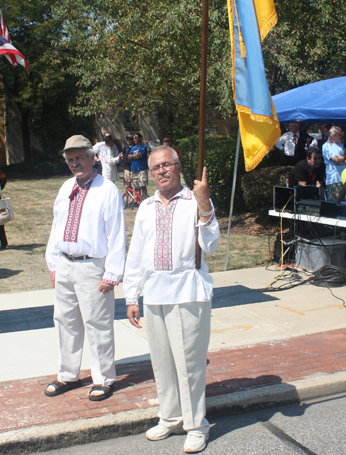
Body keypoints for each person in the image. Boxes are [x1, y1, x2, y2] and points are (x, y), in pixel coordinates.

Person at [124, 146, 220, 453]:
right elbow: (136, 254)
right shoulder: (146, 206)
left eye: (167, 165)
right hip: (153, 293)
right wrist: (131, 295)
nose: (161, 171)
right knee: (162, 362)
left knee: (190, 364)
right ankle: (170, 416)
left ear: (178, 167)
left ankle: (196, 425)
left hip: (188, 293)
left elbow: (212, 243)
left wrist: (204, 204)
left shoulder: (195, 199)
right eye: (155, 168)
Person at [45, 135, 126, 401]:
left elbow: (116, 234)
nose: (74, 163)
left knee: (97, 323)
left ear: (93, 157)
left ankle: (103, 378)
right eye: (70, 159)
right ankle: (67, 374)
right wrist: (53, 262)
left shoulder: (107, 189)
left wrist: (112, 273)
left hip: (93, 267)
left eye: (79, 157)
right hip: (66, 264)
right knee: (65, 321)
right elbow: (57, 227)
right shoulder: (66, 187)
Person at [322, 126, 346, 201]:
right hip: (334, 180)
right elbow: (336, 159)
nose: (341, 136)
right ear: (334, 135)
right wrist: (345, 158)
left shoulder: (341, 146)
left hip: (344, 179)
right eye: (340, 134)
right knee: (336, 202)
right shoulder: (326, 146)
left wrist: (344, 159)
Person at [128, 133, 149, 197]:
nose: (134, 139)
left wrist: (133, 156)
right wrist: (134, 155)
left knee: (143, 185)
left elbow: (139, 156)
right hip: (134, 169)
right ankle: (138, 199)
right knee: (136, 185)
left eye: (136, 138)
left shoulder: (143, 147)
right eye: (134, 138)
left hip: (142, 169)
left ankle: (144, 198)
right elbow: (128, 156)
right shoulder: (134, 147)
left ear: (140, 138)